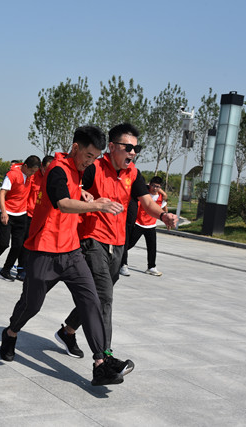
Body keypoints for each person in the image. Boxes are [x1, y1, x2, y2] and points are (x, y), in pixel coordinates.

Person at [0, 125, 128, 386]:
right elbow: (62, 203)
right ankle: (11, 333)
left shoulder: (79, 170)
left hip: (71, 252)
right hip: (44, 251)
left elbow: (75, 190)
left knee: (91, 301)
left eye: (95, 158)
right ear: (75, 148)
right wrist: (96, 205)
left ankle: (101, 362)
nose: (90, 162)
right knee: (32, 305)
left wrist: (83, 192)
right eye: (88, 156)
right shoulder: (57, 169)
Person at [57, 123, 178, 375]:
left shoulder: (133, 173)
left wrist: (163, 216)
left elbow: (147, 202)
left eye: (136, 148)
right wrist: (85, 196)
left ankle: (68, 331)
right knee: (104, 297)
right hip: (92, 240)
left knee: (96, 295)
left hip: (118, 243)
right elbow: (72, 186)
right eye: (128, 147)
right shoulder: (94, 167)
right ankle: (104, 360)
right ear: (111, 147)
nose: (133, 152)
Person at [0, 155, 40, 281]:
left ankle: (5, 270)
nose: (32, 174)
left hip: (21, 214)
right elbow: (2, 193)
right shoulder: (12, 174)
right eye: (31, 171)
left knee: (18, 245)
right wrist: (4, 212)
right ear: (25, 166)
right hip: (7, 213)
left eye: (34, 172)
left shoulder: (30, 176)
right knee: (3, 243)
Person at [15, 154, 54, 281]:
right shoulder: (32, 176)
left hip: (43, 217)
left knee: (39, 245)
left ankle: (33, 268)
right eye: (46, 169)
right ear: (41, 166)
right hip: (29, 215)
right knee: (26, 243)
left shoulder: (53, 178)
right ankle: (21, 268)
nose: (47, 172)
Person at [120, 181, 167, 276]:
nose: (155, 188)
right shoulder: (143, 194)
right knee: (129, 244)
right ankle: (121, 263)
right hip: (139, 223)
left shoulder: (161, 197)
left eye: (157, 186)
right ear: (150, 185)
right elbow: (140, 186)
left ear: (160, 187)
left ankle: (151, 267)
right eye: (153, 185)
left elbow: (164, 208)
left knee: (152, 247)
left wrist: (167, 218)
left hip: (151, 225)